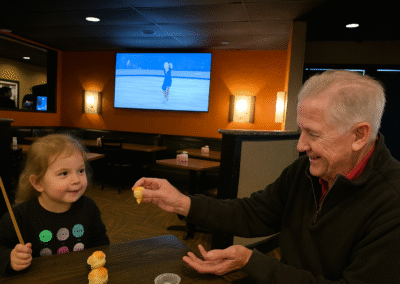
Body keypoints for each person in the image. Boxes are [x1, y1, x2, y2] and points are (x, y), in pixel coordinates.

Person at [133, 70, 400, 283]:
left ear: (359, 135)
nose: (300, 145)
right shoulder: (304, 171)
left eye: (314, 134)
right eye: (301, 130)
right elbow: (254, 213)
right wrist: (182, 202)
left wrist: (252, 261)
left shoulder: (391, 204)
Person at [0, 134, 110, 276]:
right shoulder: (18, 217)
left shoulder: (89, 207)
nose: (76, 180)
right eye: (64, 173)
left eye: (80, 170)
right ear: (38, 183)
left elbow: (101, 243)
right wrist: (10, 258)